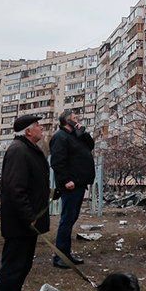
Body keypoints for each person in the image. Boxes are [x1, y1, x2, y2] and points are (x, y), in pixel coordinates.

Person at [0, 114, 50, 291]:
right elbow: (15, 189)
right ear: (27, 131)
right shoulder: (18, 151)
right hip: (20, 223)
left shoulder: (28, 149)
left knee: (22, 267)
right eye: (37, 125)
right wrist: (29, 217)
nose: (41, 128)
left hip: (27, 223)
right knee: (12, 269)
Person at [48, 109, 95, 268]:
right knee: (67, 219)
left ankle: (66, 253)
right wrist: (66, 180)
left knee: (72, 218)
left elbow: (90, 146)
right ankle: (60, 256)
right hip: (71, 185)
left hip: (79, 183)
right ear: (67, 121)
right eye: (75, 118)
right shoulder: (60, 137)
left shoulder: (76, 135)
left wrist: (83, 132)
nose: (78, 119)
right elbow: (57, 161)